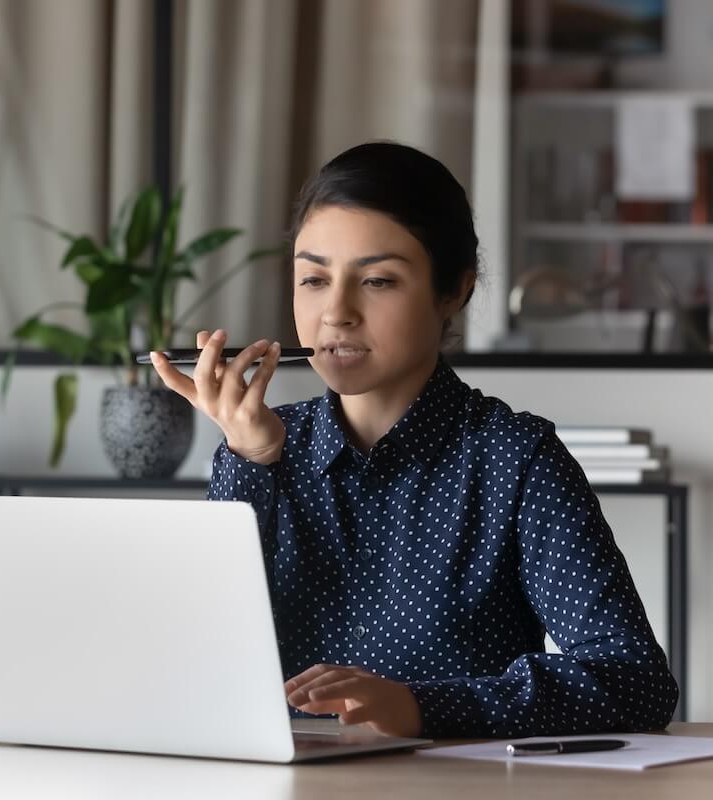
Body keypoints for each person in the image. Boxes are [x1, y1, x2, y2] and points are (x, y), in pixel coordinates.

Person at [150, 141, 679, 739]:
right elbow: (198, 660)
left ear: (453, 291)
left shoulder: (515, 458)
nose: (337, 313)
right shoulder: (264, 448)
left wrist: (422, 707)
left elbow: (634, 681)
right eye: (314, 279)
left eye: (377, 280)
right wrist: (250, 461)